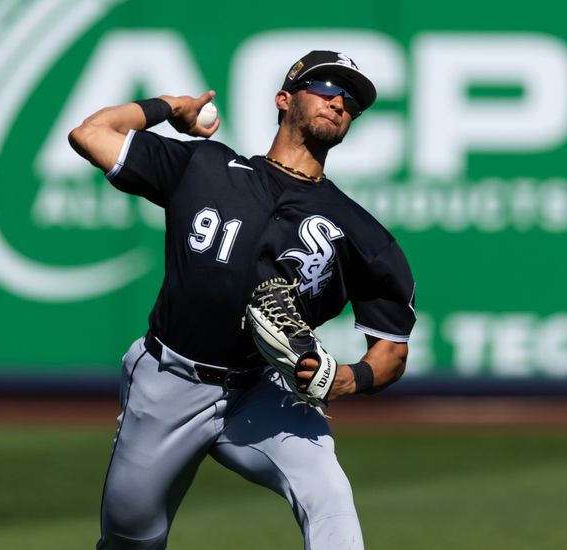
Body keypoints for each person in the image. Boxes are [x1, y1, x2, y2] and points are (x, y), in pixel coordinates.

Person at [69, 50, 416, 550]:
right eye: (326, 88)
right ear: (284, 99)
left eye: (352, 100)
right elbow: (90, 133)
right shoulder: (206, 167)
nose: (340, 102)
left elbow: (392, 351)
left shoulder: (362, 234)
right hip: (169, 381)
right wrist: (173, 106)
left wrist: (347, 378)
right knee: (130, 539)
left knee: (328, 493)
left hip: (263, 391)